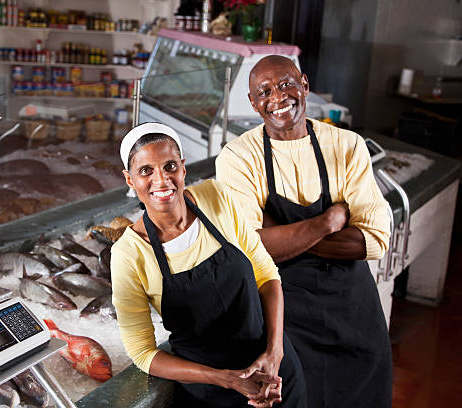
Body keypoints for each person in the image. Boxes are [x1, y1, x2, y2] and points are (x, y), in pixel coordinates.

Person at [215, 55, 393, 408]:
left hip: (353, 309)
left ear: (304, 85)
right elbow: (249, 251)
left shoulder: (347, 145)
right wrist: (325, 223)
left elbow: (373, 240)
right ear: (253, 102)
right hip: (288, 314)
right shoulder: (238, 157)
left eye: (285, 84)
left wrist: (279, 234)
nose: (277, 98)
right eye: (264, 91)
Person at [111, 122, 307, 407]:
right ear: (130, 180)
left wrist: (275, 353)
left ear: (183, 167)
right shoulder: (129, 254)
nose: (162, 180)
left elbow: (266, 275)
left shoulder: (216, 197)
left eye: (169, 166)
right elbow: (143, 353)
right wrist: (226, 379)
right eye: (146, 171)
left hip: (277, 375)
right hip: (212, 395)